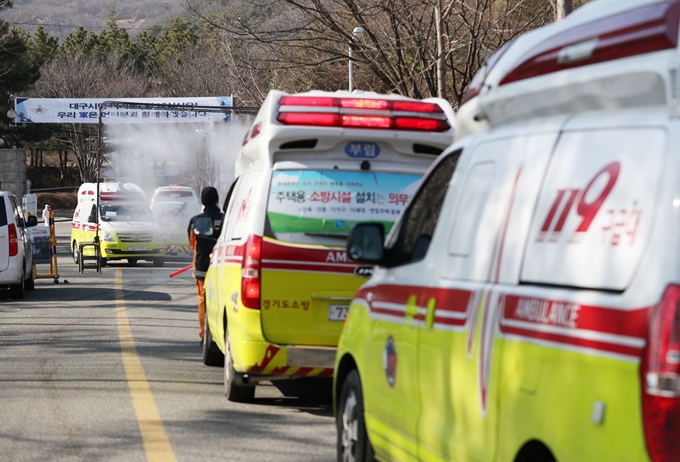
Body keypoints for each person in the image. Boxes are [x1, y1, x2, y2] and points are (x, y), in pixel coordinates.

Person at [187, 187, 223, 345]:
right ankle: (221, 334)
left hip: (202, 266)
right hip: (223, 267)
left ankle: (205, 335)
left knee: (203, 300)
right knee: (222, 299)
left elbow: (192, 243)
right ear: (217, 200)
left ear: (201, 202)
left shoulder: (195, 221)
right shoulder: (227, 218)